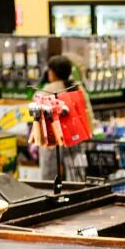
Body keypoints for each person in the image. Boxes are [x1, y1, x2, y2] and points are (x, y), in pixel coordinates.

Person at [39, 55, 95, 184]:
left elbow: (39, 116)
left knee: (49, 175)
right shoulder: (77, 87)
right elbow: (88, 112)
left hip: (53, 140)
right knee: (76, 173)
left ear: (52, 72)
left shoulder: (47, 90)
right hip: (76, 136)